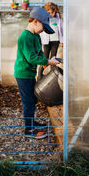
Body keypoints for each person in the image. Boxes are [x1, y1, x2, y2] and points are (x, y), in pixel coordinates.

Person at [14, 7, 59, 139]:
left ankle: (32, 122)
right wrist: (48, 61)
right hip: (23, 74)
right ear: (35, 21)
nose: (43, 30)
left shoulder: (35, 36)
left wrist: (45, 61)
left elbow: (38, 52)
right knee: (28, 102)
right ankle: (29, 130)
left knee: (32, 99)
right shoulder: (25, 37)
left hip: (29, 74)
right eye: (43, 27)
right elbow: (31, 58)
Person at [38, 2, 63, 79]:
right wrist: (39, 41)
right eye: (48, 13)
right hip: (46, 42)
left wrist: (62, 42)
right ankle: (39, 76)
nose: (50, 14)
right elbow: (40, 31)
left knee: (53, 58)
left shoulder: (58, 20)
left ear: (55, 11)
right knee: (45, 58)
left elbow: (62, 31)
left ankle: (52, 76)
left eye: (52, 12)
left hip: (55, 41)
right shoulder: (43, 20)